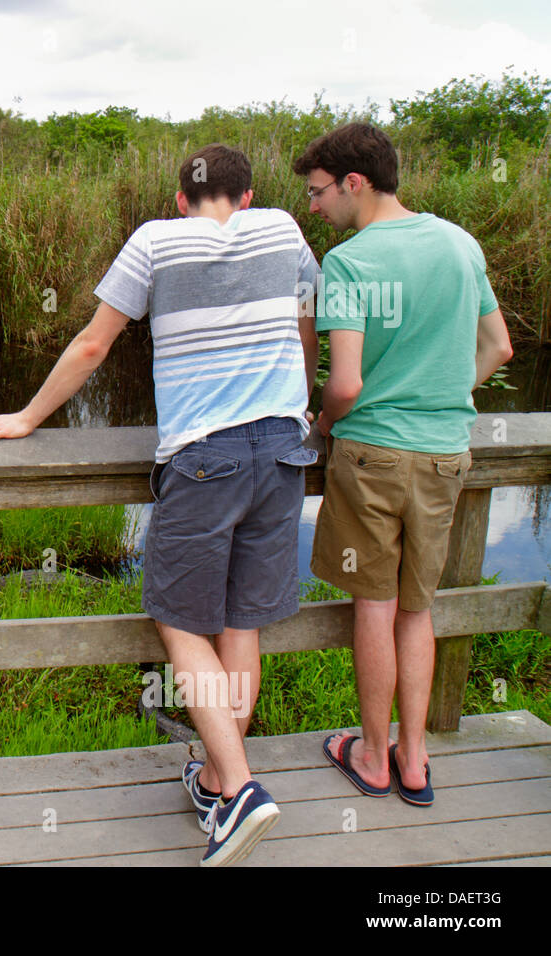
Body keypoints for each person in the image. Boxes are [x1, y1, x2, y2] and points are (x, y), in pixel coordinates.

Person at [0, 143, 320, 866]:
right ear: (246, 196)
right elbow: (306, 327)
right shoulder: (285, 229)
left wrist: (28, 418)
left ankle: (243, 790)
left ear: (181, 198)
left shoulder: (155, 240)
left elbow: (94, 345)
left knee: (180, 621)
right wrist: (301, 402)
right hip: (284, 449)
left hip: (205, 458)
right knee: (242, 619)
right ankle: (218, 780)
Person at [292, 122, 512, 807]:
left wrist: (321, 422)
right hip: (445, 455)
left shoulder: (352, 263)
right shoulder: (459, 242)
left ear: (354, 182)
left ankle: (371, 753)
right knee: (419, 610)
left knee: (374, 606)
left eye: (318, 192)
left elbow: (347, 383)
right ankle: (415, 761)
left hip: (374, 455)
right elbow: (499, 347)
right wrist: (442, 396)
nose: (314, 207)